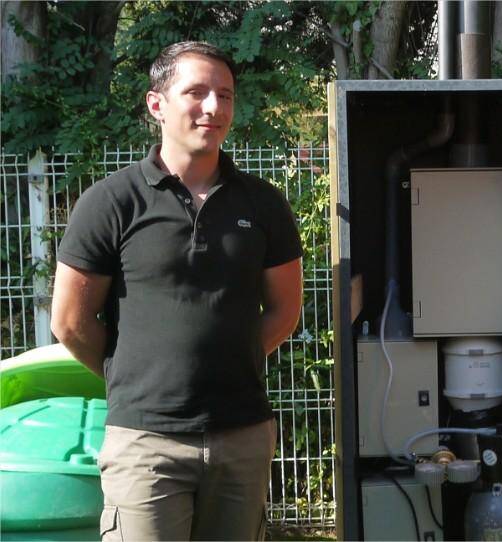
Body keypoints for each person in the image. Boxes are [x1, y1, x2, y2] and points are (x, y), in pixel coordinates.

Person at [50, 41, 303, 541]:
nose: (214, 107)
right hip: (145, 445)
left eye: (226, 95)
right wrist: (138, 375)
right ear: (157, 104)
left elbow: (284, 310)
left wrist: (232, 358)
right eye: (197, 92)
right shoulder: (110, 203)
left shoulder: (265, 204)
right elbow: (70, 323)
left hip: (242, 437)